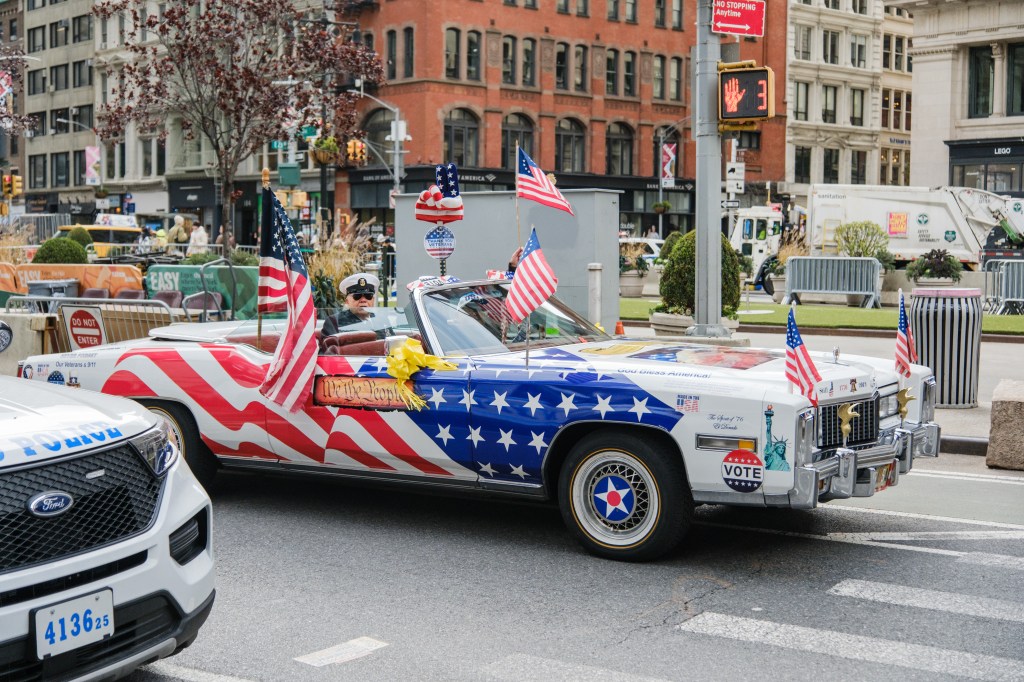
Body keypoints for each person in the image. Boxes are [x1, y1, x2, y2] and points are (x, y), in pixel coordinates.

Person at [321, 273, 379, 337]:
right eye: (357, 296)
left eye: (368, 296)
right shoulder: (334, 322)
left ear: (373, 300)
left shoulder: (381, 320)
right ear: (347, 301)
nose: (363, 300)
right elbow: (331, 346)